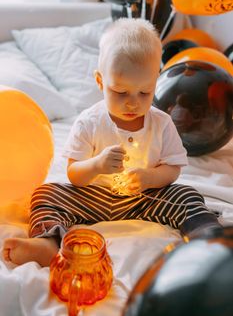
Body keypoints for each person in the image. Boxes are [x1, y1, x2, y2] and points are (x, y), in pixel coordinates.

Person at [3, 18, 220, 267]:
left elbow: (173, 168)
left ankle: (208, 238)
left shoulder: (161, 123)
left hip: (144, 199)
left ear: (155, 82)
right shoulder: (89, 122)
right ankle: (48, 242)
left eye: (144, 92)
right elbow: (74, 174)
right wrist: (96, 165)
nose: (133, 102)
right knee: (45, 193)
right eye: (120, 92)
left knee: (187, 194)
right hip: (92, 197)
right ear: (100, 82)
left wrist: (150, 178)